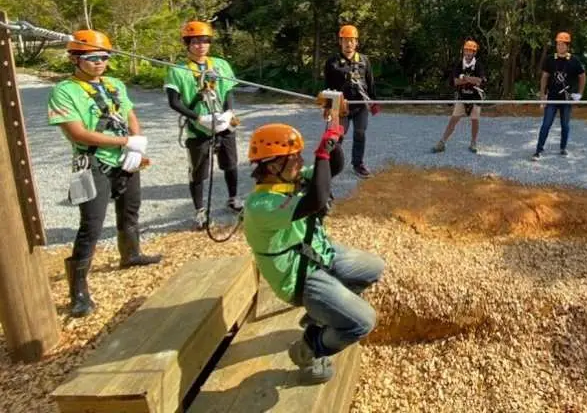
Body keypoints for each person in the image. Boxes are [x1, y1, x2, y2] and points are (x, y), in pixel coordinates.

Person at [243, 116, 385, 385]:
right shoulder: (261, 205)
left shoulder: (287, 181)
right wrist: (321, 151)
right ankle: (309, 349)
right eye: (293, 157)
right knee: (362, 322)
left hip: (320, 255)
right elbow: (317, 197)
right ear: (274, 165)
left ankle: (321, 314)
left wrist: (335, 138)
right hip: (300, 279)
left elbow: (332, 167)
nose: (300, 161)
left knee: (374, 267)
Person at [47, 29, 161, 318]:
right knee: (92, 224)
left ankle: (131, 254)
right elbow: (78, 133)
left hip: (125, 157)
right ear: (75, 58)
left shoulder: (114, 84)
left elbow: (130, 115)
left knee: (130, 208)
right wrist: (126, 142)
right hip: (91, 163)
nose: (99, 62)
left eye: (104, 57)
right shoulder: (64, 91)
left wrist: (137, 144)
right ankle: (79, 292)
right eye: (92, 57)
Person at [164, 20, 242, 230]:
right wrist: (197, 118)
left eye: (205, 41)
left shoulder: (220, 65)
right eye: (196, 42)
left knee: (231, 163)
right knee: (198, 171)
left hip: (222, 123)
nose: (201, 46)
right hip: (198, 128)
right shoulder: (178, 71)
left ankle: (233, 198)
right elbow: (174, 101)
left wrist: (228, 112)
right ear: (187, 44)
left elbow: (227, 91)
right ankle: (200, 211)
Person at [323, 24, 381, 178]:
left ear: (356, 42)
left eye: (352, 40)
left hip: (360, 105)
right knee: (337, 136)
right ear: (340, 42)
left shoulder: (364, 60)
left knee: (360, 134)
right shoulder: (332, 62)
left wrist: (374, 102)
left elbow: (370, 82)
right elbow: (327, 86)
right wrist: (328, 108)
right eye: (345, 40)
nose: (348, 44)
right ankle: (330, 165)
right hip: (340, 106)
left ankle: (358, 164)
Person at [533, 31, 586, 160]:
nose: (560, 46)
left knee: (565, 125)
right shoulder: (550, 59)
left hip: (566, 99)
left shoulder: (574, 61)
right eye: (558, 44)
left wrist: (580, 93)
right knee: (546, 124)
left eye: (563, 44)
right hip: (552, 97)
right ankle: (538, 150)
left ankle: (563, 148)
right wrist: (542, 96)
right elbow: (544, 77)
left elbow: (582, 76)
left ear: (567, 46)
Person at [432, 39, 486, 153]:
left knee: (475, 120)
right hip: (462, 96)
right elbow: (455, 81)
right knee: (453, 120)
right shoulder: (458, 64)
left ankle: (473, 143)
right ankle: (442, 142)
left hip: (475, 97)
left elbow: (479, 81)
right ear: (464, 52)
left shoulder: (478, 65)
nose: (468, 53)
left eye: (470, 51)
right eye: (466, 51)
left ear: (474, 53)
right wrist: (469, 80)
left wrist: (464, 78)